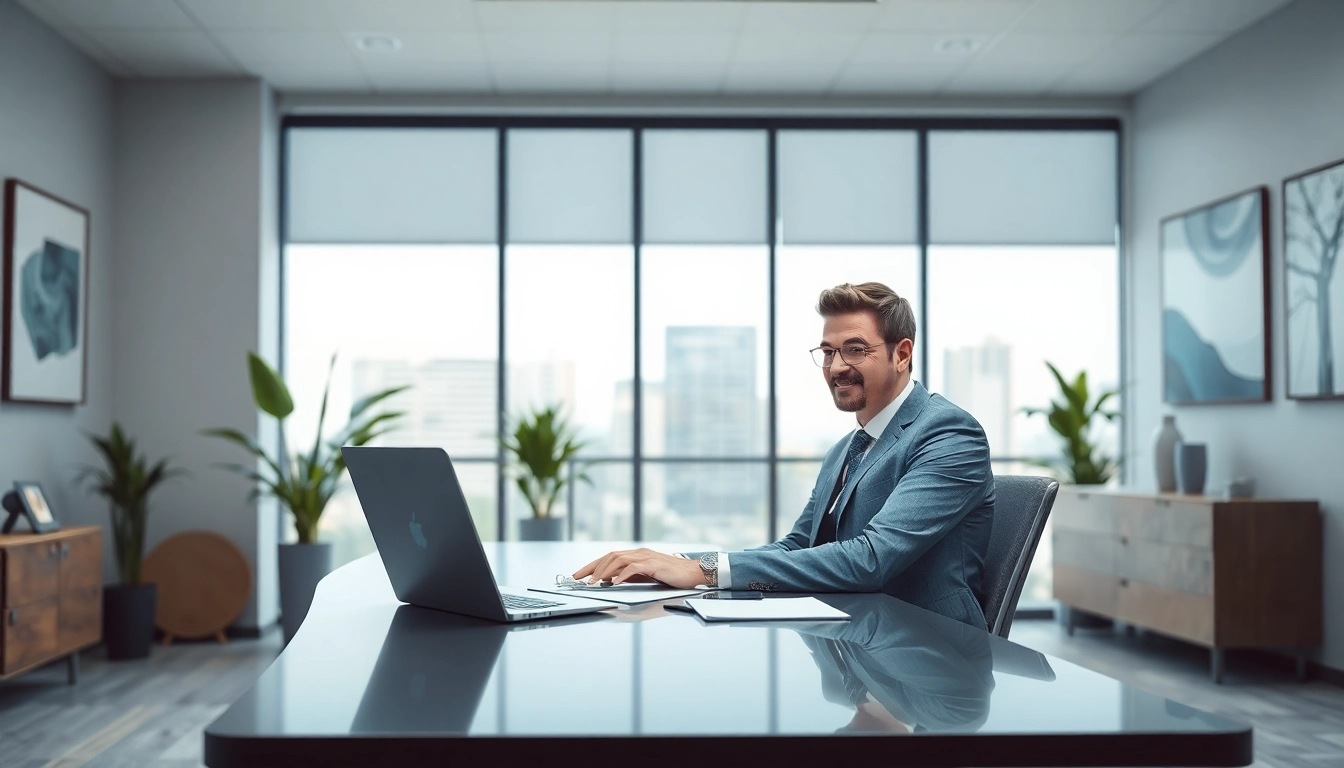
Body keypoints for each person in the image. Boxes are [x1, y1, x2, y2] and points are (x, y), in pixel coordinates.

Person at [574, 282, 996, 628]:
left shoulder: (948, 434)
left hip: (936, 658)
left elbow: (871, 559)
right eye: (828, 352)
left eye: (854, 349)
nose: (835, 367)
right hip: (855, 642)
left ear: (901, 354)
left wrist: (705, 570)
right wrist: (675, 565)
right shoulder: (846, 450)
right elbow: (797, 546)